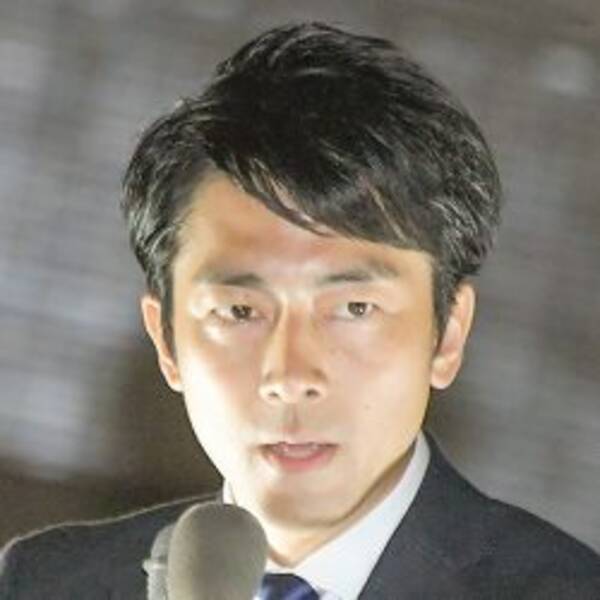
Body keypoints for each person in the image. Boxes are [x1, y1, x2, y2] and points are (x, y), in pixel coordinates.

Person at [1, 21, 599, 599]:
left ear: (447, 336)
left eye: (355, 307)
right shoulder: (47, 584)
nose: (290, 376)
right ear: (166, 341)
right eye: (240, 312)